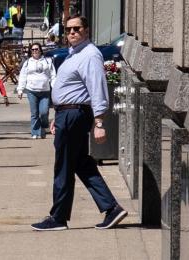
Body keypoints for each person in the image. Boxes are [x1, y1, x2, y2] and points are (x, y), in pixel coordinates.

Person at [32, 15, 128, 232]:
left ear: (87, 30)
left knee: (64, 165)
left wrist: (100, 121)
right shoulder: (75, 54)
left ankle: (58, 217)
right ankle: (111, 207)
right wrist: (59, 117)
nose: (72, 33)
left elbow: (97, 87)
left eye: (77, 29)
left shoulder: (90, 54)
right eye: (68, 30)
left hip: (75, 114)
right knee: (81, 163)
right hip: (67, 115)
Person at [17, 41, 58, 139]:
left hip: (45, 91)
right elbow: (23, 76)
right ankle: (35, 132)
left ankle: (43, 126)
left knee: (44, 112)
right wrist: (20, 89)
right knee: (34, 113)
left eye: (37, 49)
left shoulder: (47, 61)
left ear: (40, 50)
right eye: (33, 49)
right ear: (31, 51)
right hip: (32, 91)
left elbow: (53, 76)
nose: (35, 51)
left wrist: (55, 87)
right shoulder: (27, 62)